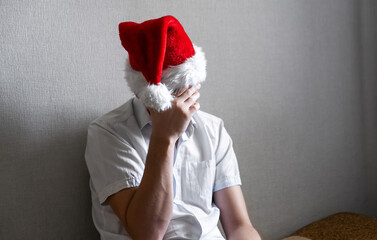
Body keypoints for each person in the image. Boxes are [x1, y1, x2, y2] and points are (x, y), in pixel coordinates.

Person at [85, 15, 261, 240]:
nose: (191, 95)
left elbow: (239, 226)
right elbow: (146, 233)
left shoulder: (213, 129)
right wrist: (164, 138)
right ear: (152, 95)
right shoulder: (107, 133)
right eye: (179, 90)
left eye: (192, 85)